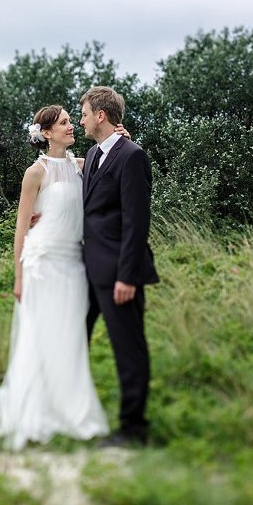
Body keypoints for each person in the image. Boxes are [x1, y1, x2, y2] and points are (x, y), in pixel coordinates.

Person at [0, 105, 130, 450]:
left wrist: (121, 137)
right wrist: (18, 277)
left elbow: (112, 164)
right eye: (65, 123)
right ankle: (33, 414)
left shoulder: (82, 165)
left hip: (74, 264)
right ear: (47, 133)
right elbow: (21, 230)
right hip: (42, 262)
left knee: (68, 339)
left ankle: (69, 410)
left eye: (72, 120)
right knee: (38, 337)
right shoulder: (34, 173)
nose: (71, 126)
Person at [79, 86, 159, 447]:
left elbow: (136, 222)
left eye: (83, 113)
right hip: (88, 270)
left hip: (118, 274)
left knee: (128, 348)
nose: (79, 120)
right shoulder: (92, 153)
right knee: (72, 339)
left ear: (101, 115)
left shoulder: (132, 156)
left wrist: (127, 275)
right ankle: (74, 412)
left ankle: (133, 428)